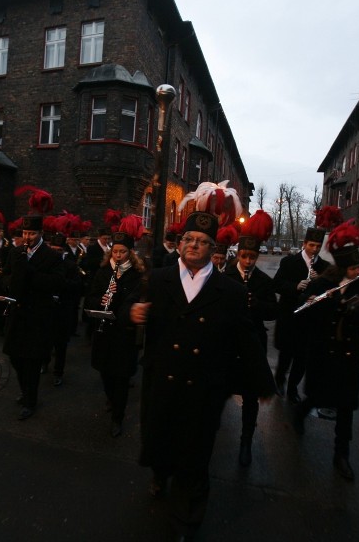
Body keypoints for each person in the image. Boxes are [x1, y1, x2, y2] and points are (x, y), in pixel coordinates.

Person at [126, 201, 275, 540]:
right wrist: (131, 311)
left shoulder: (231, 292)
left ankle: (186, 521)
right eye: (188, 239)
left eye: (201, 241)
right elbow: (128, 303)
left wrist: (263, 382)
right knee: (160, 441)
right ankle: (160, 473)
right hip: (162, 380)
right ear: (180, 244)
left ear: (214, 248)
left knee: (194, 458)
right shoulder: (159, 277)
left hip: (204, 387)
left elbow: (246, 338)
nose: (193, 245)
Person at [294, 220, 359, 481]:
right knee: (317, 395)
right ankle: (300, 413)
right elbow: (305, 312)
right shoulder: (323, 284)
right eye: (352, 268)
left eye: (358, 267)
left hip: (348, 353)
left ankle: (341, 454)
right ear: (341, 267)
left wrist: (357, 313)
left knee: (345, 404)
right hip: (323, 350)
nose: (356, 271)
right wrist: (321, 304)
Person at [223, 210, 278, 467]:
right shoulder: (226, 277)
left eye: (252, 257)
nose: (247, 261)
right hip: (229, 341)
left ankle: (246, 441)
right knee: (219, 386)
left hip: (253, 343)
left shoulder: (264, 281)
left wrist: (256, 304)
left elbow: (272, 312)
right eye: (244, 256)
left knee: (251, 394)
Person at [85, 221, 145, 438]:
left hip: (123, 335)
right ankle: (111, 398)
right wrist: (100, 301)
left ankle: (117, 418)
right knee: (105, 373)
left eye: (123, 252)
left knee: (120, 378)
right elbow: (90, 296)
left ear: (130, 253)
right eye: (116, 251)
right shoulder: (103, 272)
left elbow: (134, 300)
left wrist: (117, 294)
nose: (118, 255)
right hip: (103, 332)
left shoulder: (136, 275)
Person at [2, 212, 65, 421]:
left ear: (40, 234)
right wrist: (13, 280)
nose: (27, 237)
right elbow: (7, 274)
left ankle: (30, 400)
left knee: (32, 361)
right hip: (17, 313)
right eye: (25, 232)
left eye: (32, 233)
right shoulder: (16, 252)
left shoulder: (52, 256)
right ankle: (25, 391)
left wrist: (28, 272)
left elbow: (54, 283)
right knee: (15, 357)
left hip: (38, 315)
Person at [273, 227, 330, 402]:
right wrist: (295, 287)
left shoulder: (325, 267)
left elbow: (328, 293)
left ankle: (293, 388)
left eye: (318, 245)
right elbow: (277, 284)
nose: (314, 249)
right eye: (311, 245)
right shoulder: (289, 262)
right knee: (286, 355)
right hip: (289, 317)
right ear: (304, 244)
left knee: (302, 358)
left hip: (309, 321)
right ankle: (279, 380)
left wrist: (319, 281)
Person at [45, 232, 83, 386]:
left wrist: (61, 283)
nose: (55, 253)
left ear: (63, 251)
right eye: (53, 249)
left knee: (61, 344)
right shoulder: (45, 264)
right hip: (47, 307)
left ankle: (58, 372)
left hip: (63, 308)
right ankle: (44, 363)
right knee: (45, 340)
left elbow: (77, 286)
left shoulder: (70, 266)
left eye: (59, 251)